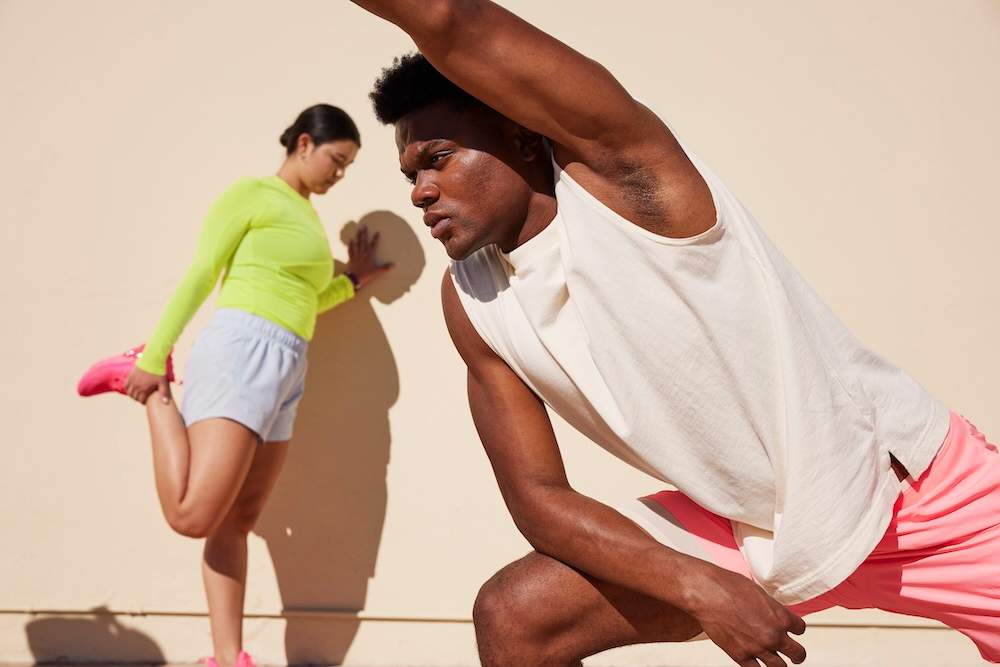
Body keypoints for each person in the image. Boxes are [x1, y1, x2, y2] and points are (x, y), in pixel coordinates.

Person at [351, 2, 1000, 666]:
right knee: (516, 616)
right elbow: (538, 499)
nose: (420, 191)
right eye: (410, 175)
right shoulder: (472, 301)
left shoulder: (630, 181)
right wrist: (698, 586)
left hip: (911, 496)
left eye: (438, 159)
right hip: (748, 526)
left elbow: (451, 18)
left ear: (521, 136)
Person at [77, 104, 391, 667]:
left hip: (289, 364)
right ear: (303, 143)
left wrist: (351, 281)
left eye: (347, 167)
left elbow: (303, 301)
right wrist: (156, 355)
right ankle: (149, 389)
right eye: (336, 160)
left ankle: (227, 659)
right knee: (192, 516)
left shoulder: (305, 216)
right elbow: (203, 271)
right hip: (242, 348)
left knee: (237, 520)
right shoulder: (252, 195)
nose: (338, 174)